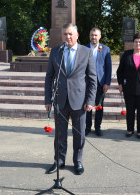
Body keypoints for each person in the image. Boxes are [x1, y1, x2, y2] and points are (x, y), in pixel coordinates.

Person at [45, 23, 97, 175]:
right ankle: (59, 161)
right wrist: (48, 99)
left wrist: (90, 100)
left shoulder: (86, 52)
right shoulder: (56, 52)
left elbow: (93, 79)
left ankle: (78, 161)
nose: (67, 37)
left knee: (79, 134)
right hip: (60, 100)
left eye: (70, 34)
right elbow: (49, 77)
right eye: (65, 34)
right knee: (60, 134)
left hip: (80, 101)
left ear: (77, 35)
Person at [116, 33, 140, 139]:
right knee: (130, 111)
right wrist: (120, 84)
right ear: (133, 43)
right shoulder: (127, 54)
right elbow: (120, 71)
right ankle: (130, 130)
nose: (138, 43)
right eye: (136, 42)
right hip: (128, 88)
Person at [85, 28, 112, 136]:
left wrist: (107, 83)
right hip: (87, 83)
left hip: (100, 82)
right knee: (87, 105)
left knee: (99, 107)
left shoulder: (105, 49)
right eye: (92, 35)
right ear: (89, 36)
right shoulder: (83, 48)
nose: (94, 37)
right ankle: (87, 127)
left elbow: (108, 67)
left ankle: (97, 128)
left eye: (96, 35)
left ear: (100, 37)